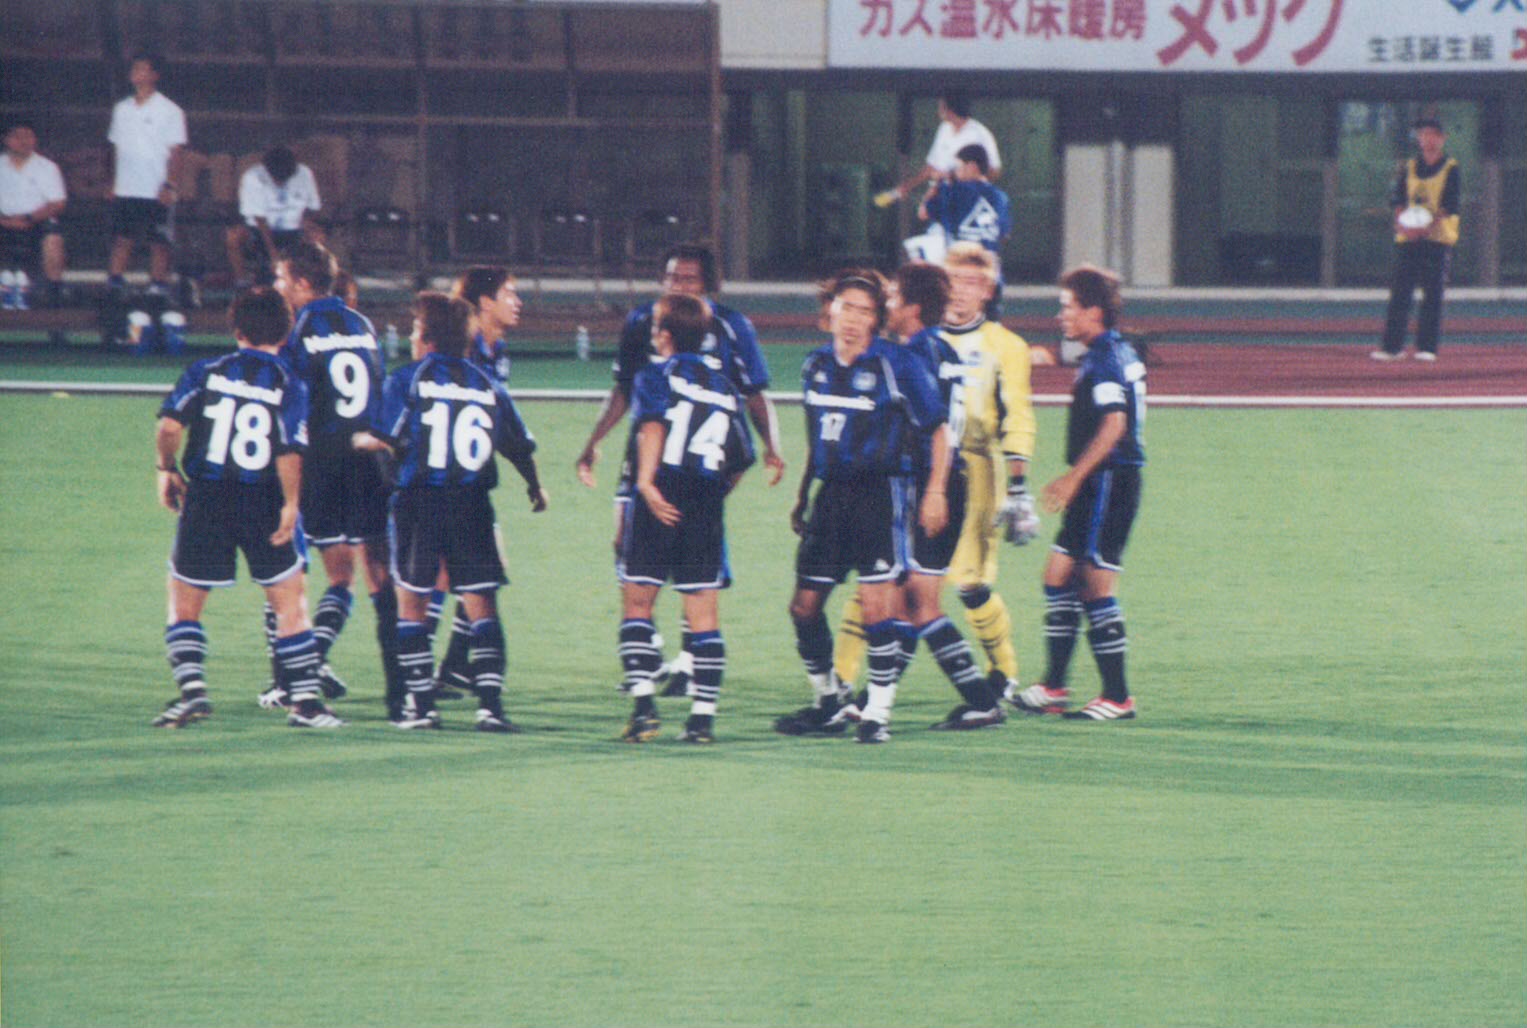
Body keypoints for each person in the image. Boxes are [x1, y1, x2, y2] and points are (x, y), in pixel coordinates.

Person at [576, 243, 784, 697]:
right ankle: (647, 655)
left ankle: (690, 661)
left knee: (697, 557)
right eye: (672, 277)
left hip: (703, 460)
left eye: (688, 278)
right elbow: (623, 389)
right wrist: (594, 441)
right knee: (624, 539)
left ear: (708, 283)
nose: (679, 286)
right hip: (647, 451)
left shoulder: (731, 326)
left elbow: (753, 392)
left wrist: (772, 445)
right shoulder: (643, 322)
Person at [150, 286, 342, 730]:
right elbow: (289, 449)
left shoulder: (205, 371)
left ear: (236, 329)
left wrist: (166, 469)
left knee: (184, 602)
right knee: (289, 602)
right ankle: (305, 703)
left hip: (207, 497)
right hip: (263, 499)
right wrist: (291, 503)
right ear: (287, 331)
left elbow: (169, 427)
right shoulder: (290, 381)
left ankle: (193, 693)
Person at [356, 292, 548, 732]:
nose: (411, 336)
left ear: (426, 337)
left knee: (412, 603)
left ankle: (422, 707)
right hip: (473, 504)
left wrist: (357, 442)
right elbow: (518, 445)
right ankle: (491, 709)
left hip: (420, 503)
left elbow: (385, 437)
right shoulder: (487, 383)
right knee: (482, 605)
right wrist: (534, 485)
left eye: (414, 329)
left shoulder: (408, 380)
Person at [775, 270, 950, 745]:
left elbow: (939, 431)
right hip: (830, 496)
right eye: (846, 307)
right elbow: (818, 435)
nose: (853, 319)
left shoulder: (898, 364)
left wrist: (935, 492)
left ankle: (877, 713)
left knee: (877, 609)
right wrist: (804, 492)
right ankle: (828, 701)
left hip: (881, 494)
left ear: (877, 319)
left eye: (865, 311)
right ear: (829, 310)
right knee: (804, 607)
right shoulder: (815, 366)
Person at [614, 292, 755, 744]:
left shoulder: (654, 375)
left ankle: (643, 710)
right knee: (703, 616)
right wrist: (714, 495)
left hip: (661, 496)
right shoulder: (726, 387)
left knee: (638, 605)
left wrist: (646, 484)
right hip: (704, 503)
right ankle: (702, 720)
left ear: (664, 335)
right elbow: (742, 457)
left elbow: (653, 424)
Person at [1008, 264, 1144, 722]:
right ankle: (1054, 686)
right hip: (1096, 481)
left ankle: (1118, 697)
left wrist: (1074, 477)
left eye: (1068, 307)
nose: (1060, 315)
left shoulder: (1105, 359)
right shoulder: (1110, 351)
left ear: (1094, 311)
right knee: (1057, 575)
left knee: (1094, 584)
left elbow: (1114, 425)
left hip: (1110, 480)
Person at [267, 242, 392, 711]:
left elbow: (289, 403)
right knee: (359, 578)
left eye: (282, 278)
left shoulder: (296, 331)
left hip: (319, 463)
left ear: (302, 283)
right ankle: (396, 686)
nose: (278, 286)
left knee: (295, 575)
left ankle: (294, 675)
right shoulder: (362, 325)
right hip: (368, 463)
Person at [935, 242, 1038, 701]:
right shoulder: (922, 338)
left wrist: (1019, 487)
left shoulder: (1006, 345)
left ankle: (1003, 670)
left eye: (972, 282)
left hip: (976, 468)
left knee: (971, 582)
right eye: (953, 280)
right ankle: (847, 685)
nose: (960, 290)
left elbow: (1019, 415)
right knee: (892, 578)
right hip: (918, 468)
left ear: (989, 291)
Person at [1372, 116, 1461, 363]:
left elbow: (1449, 205)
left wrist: (1425, 228)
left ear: (1442, 139)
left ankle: (1427, 347)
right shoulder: (1409, 166)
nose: (1427, 139)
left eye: (1433, 134)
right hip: (1408, 239)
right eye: (1423, 135)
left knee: (1433, 294)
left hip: (1437, 239)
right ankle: (1392, 347)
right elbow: (1399, 200)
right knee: (1400, 292)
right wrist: (1402, 224)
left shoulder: (1451, 168)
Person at [107, 53, 186, 296]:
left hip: (156, 189)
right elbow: (115, 148)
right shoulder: (121, 109)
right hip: (126, 188)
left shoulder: (170, 110)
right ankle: (115, 284)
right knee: (122, 239)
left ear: (154, 75)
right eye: (134, 68)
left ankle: (158, 286)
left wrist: (170, 185)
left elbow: (176, 152)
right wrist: (113, 182)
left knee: (159, 242)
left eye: (142, 68)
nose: (136, 72)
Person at [920, 144, 1011, 317]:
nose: (956, 172)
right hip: (990, 273)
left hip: (959, 275)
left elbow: (924, 212)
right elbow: (1004, 234)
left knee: (956, 322)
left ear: (972, 166)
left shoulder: (953, 192)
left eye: (958, 166)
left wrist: (936, 184)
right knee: (990, 323)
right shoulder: (1001, 197)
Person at [875, 90, 1002, 208]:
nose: (938, 111)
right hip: (942, 198)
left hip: (969, 201)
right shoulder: (944, 129)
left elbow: (995, 171)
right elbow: (932, 167)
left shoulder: (980, 134)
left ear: (950, 110)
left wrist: (959, 179)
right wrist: (907, 186)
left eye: (940, 107)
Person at [226, 145, 324, 288]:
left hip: (294, 228)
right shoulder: (252, 177)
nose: (280, 182)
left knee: (318, 237)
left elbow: (313, 206)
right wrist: (273, 254)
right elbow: (259, 217)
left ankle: (311, 284)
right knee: (233, 238)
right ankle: (242, 283)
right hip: (259, 229)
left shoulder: (305, 174)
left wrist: (307, 224)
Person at [0, 121, 67, 310]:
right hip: (3, 220)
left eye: (28, 136)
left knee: (54, 238)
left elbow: (57, 204)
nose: (24, 141)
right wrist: (5, 221)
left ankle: (54, 297)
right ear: (6, 140)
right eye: (17, 136)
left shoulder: (48, 167)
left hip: (36, 221)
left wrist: (28, 219)